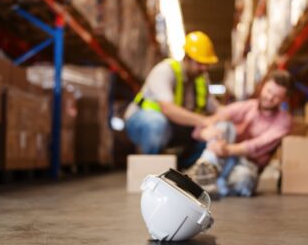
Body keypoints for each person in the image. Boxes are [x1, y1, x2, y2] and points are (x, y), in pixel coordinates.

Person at [186, 70, 293, 197]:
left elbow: (257, 145)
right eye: (269, 91)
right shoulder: (247, 106)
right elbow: (213, 119)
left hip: (247, 165)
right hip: (222, 160)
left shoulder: (284, 121)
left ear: (284, 99)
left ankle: (208, 182)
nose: (270, 98)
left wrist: (227, 149)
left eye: (276, 96)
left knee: (244, 179)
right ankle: (208, 165)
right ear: (262, 86)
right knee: (225, 125)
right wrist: (204, 132)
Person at [124, 31, 219, 167]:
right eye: (199, 63)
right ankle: (148, 168)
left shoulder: (202, 80)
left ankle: (177, 167)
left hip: (173, 127)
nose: (204, 68)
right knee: (156, 123)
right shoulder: (165, 70)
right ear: (187, 58)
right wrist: (205, 121)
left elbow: (215, 108)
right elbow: (168, 109)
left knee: (209, 135)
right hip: (142, 122)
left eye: (206, 64)